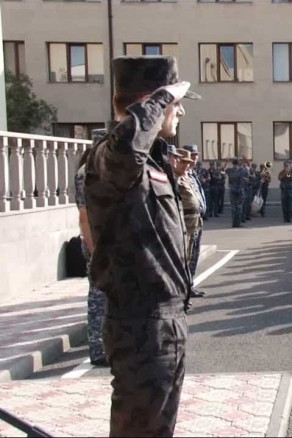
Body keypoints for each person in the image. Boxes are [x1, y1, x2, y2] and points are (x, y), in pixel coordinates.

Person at [84, 55, 199, 436]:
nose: (180, 111)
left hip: (165, 321)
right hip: (140, 321)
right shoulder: (110, 155)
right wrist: (161, 98)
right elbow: (126, 150)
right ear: (151, 102)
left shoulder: (153, 159)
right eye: (176, 103)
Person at [75, 128, 108, 366]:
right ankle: (97, 349)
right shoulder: (86, 173)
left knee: (107, 296)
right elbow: (84, 217)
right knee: (98, 297)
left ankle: (106, 344)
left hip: (107, 242)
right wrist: (94, 249)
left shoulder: (102, 171)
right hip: (97, 243)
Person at [173, 149, 203, 303]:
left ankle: (188, 288)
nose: (187, 165)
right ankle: (181, 293)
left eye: (188, 162)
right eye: (183, 162)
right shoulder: (174, 179)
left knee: (191, 256)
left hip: (195, 221)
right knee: (183, 258)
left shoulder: (187, 177)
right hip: (184, 222)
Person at [182, 145, 207, 298]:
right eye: (192, 155)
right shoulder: (180, 175)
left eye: (196, 155)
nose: (195, 158)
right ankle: (184, 288)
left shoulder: (192, 173)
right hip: (187, 221)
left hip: (197, 220)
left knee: (194, 254)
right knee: (187, 255)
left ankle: (189, 285)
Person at [225, 158, 247, 228]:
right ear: (238, 164)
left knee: (233, 207)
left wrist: (226, 162)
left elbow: (223, 169)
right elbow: (247, 175)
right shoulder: (242, 171)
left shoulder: (229, 170)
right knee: (239, 207)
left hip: (232, 190)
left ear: (233, 164)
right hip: (240, 191)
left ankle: (234, 223)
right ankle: (238, 223)